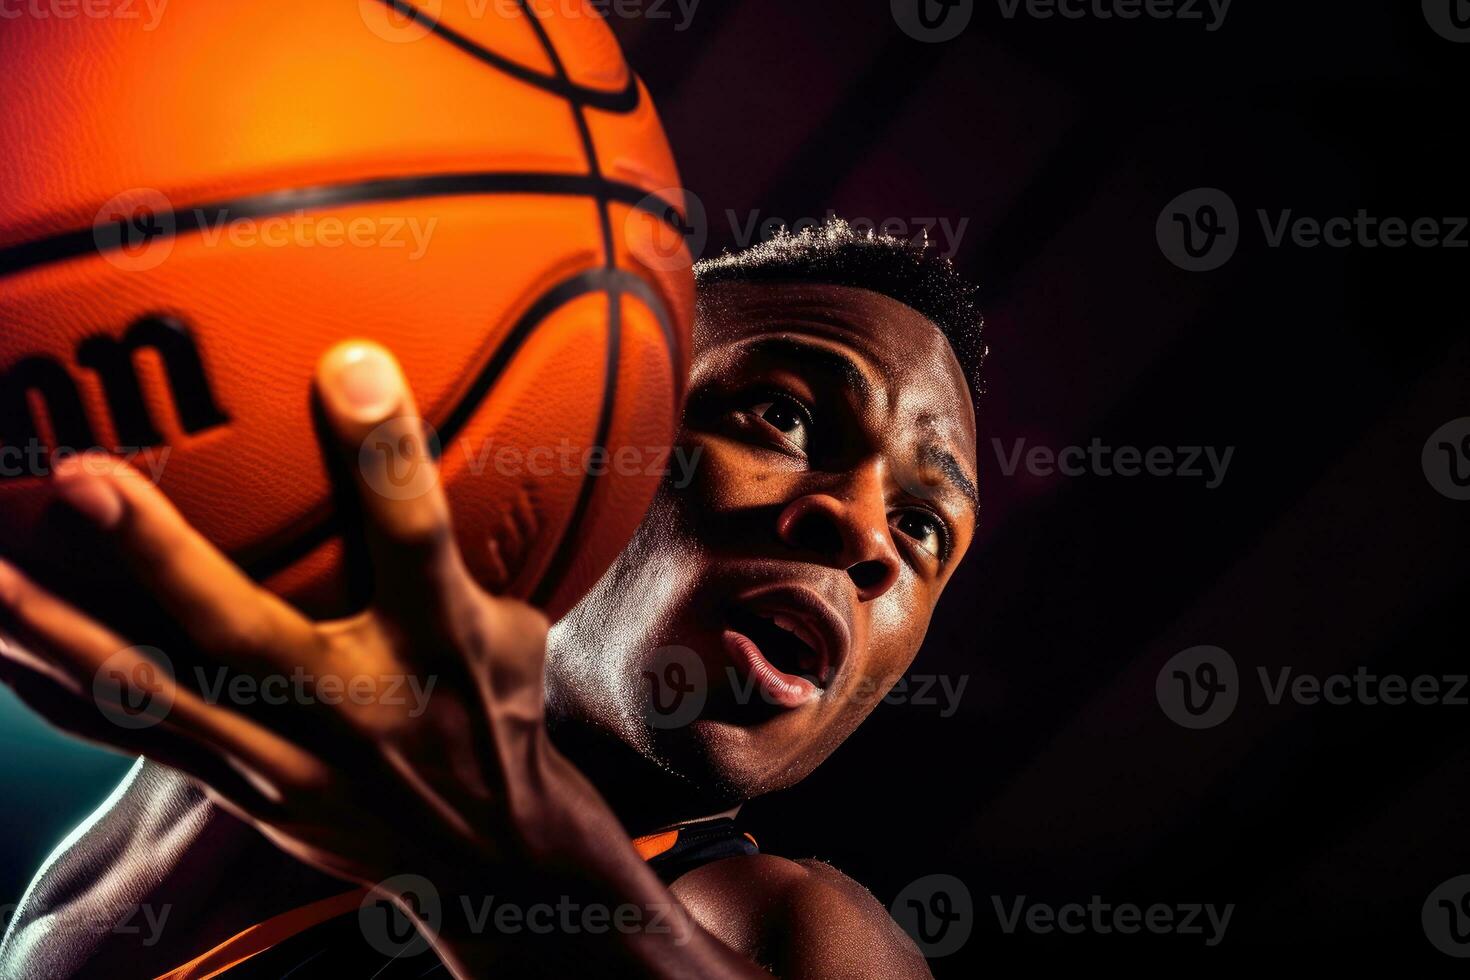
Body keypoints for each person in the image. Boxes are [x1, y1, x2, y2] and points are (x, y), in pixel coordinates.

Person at [0, 218, 984, 978]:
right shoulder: (146, 829)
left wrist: (490, 845)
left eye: (923, 525)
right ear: (578, 425)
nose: (863, 534)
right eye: (782, 414)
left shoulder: (789, 925)